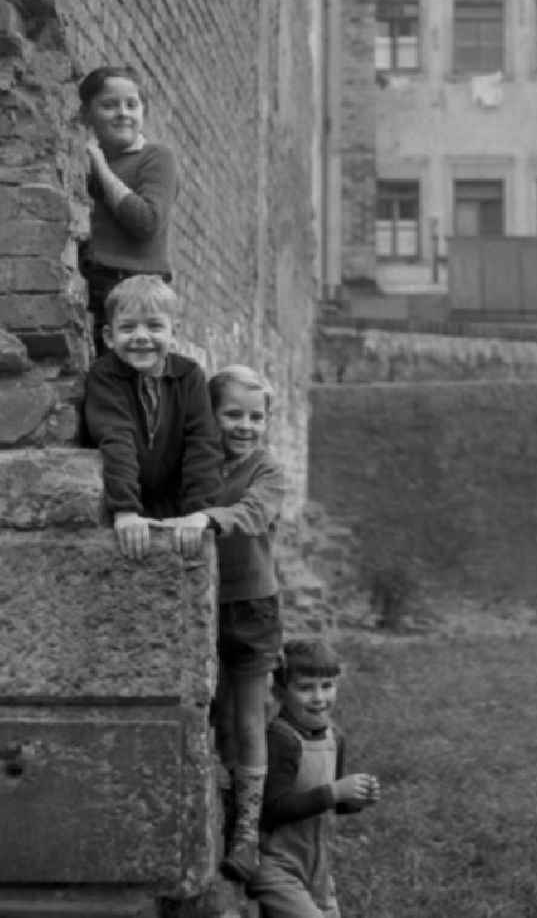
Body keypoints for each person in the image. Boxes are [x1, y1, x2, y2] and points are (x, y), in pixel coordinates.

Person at [203, 365, 286, 883]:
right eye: (232, 413)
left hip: (253, 606)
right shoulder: (200, 464)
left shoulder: (267, 470)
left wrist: (208, 518)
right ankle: (213, 807)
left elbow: (254, 514)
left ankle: (248, 835)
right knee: (214, 714)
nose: (245, 425)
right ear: (211, 414)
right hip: (204, 601)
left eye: (256, 417)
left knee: (248, 718)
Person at [82, 274, 223, 561]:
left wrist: (198, 512)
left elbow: (202, 444)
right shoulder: (105, 376)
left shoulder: (189, 377)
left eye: (155, 326)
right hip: (122, 505)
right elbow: (116, 437)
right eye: (128, 327)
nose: (142, 337)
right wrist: (125, 510)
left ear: (174, 333)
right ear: (109, 337)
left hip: (175, 506)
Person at [247, 639, 381, 918]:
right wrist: (333, 792)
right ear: (280, 691)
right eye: (305, 688)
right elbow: (270, 810)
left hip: (317, 866)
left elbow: (336, 803)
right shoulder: (281, 739)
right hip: (277, 865)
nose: (319, 697)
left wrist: (356, 797)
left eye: (327, 686)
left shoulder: (335, 737)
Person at [78, 64, 178, 356]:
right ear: (87, 114)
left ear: (143, 112)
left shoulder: (157, 157)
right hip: (94, 285)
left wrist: (101, 168)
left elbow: (146, 222)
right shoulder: (80, 161)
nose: (123, 113)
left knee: (130, 380)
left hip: (139, 290)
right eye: (109, 105)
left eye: (132, 105)